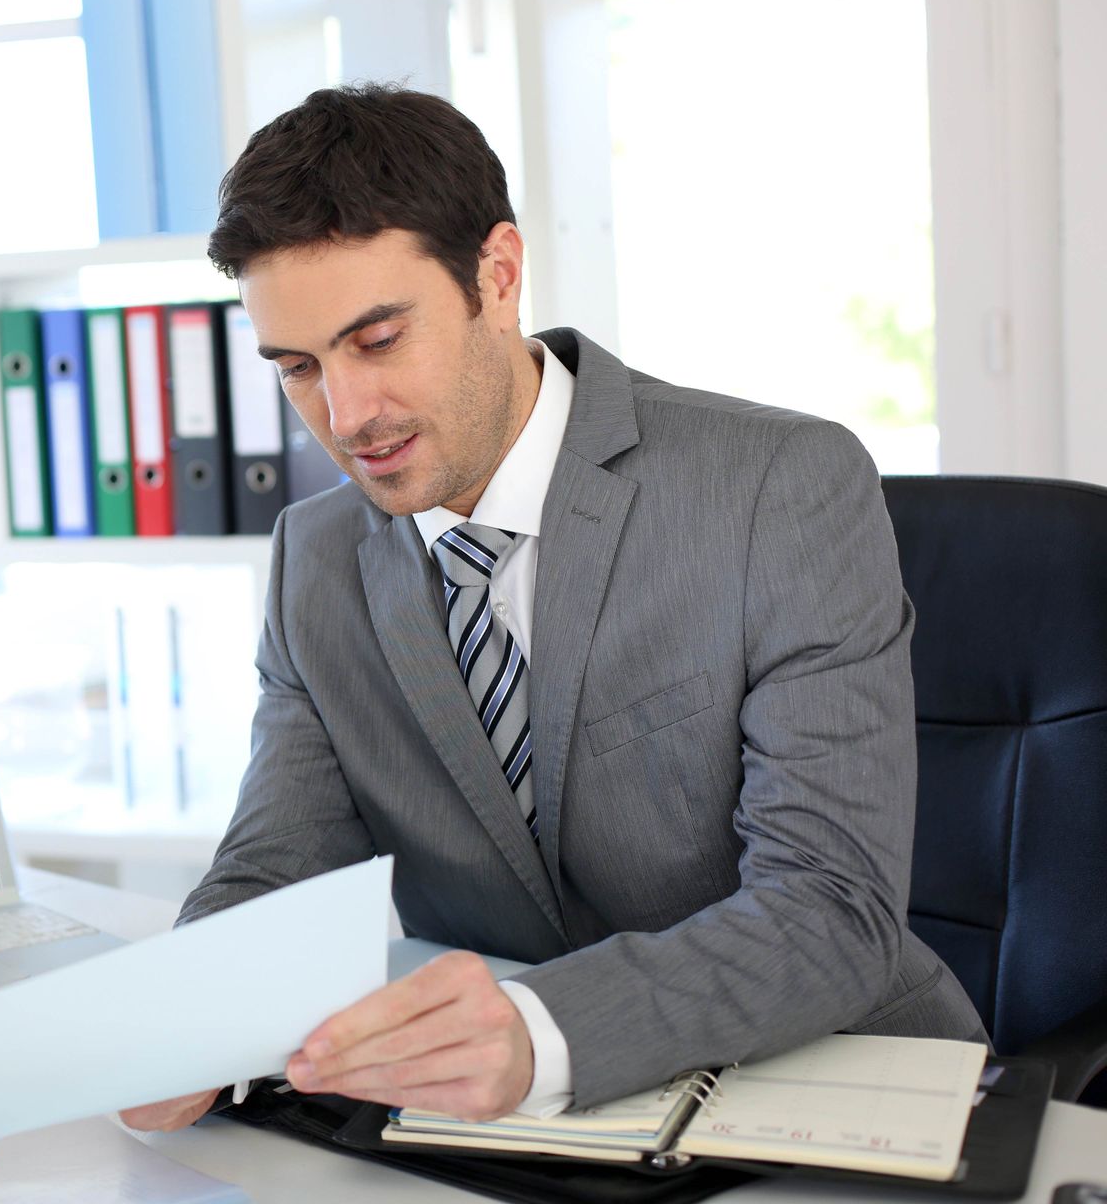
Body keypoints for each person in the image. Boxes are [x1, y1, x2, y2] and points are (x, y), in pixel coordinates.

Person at [124, 83, 986, 1134]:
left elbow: (832, 909)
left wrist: (541, 1030)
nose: (345, 416)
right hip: (523, 1132)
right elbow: (276, 862)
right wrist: (178, 1016)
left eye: (379, 339)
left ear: (497, 274)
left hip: (829, 1089)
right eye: (298, 368)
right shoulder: (319, 555)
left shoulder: (779, 488)